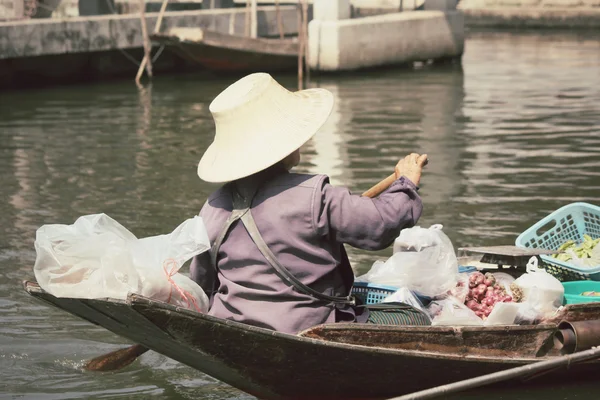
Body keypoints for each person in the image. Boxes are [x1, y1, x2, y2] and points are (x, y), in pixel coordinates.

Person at [190, 73, 429, 334]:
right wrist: (405, 183)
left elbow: (203, 286)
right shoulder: (316, 196)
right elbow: (384, 223)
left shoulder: (211, 209)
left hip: (235, 330)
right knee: (418, 317)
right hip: (313, 329)